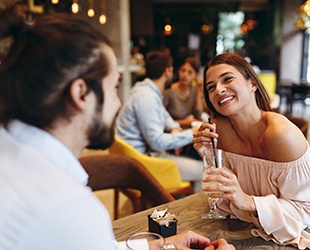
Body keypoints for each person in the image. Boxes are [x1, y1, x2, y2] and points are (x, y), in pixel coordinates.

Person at [0, 7, 234, 250]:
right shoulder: (66, 207)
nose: (118, 103)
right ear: (81, 94)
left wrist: (163, 245)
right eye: (113, 88)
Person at [193, 53, 310, 249]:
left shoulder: (281, 134)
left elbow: (306, 212)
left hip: (309, 237)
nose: (219, 89)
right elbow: (227, 201)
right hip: (256, 231)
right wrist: (209, 155)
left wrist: (249, 202)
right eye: (211, 87)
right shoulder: (220, 129)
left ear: (253, 84)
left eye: (227, 79)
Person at [116, 50, 203, 192]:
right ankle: (194, 212)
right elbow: (157, 141)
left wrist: (175, 128)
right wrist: (192, 133)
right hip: (141, 162)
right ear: (167, 72)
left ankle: (177, 202)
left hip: (138, 157)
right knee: (206, 170)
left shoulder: (147, 92)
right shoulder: (146, 98)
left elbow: (165, 116)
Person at [163, 57, 203, 129]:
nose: (185, 75)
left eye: (190, 72)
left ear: (196, 75)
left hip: (188, 131)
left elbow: (198, 115)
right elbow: (160, 119)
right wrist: (184, 122)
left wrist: (198, 92)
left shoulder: (194, 90)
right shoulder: (169, 91)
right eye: (183, 70)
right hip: (172, 130)